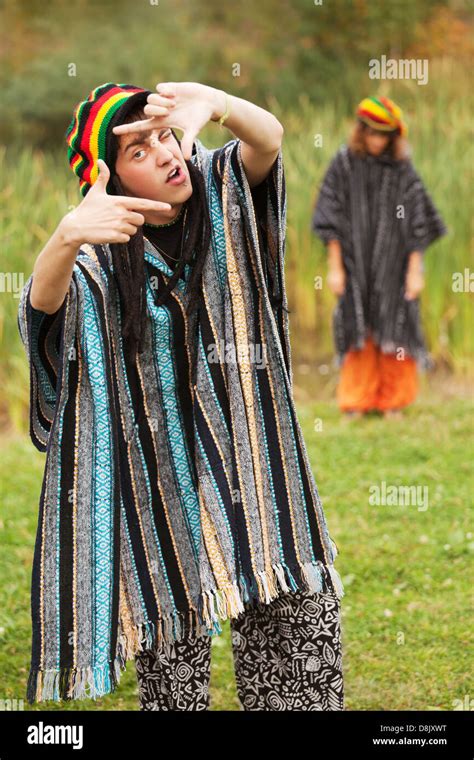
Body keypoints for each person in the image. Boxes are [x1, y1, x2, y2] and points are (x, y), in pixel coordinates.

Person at [17, 81, 344, 710]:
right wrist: (64, 238)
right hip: (155, 484)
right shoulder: (94, 259)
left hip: (256, 464)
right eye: (139, 151)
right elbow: (44, 317)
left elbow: (268, 138)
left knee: (297, 633)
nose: (167, 155)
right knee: (169, 653)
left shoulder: (223, 194)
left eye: (166, 136)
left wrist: (214, 103)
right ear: (109, 180)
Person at [311, 96, 447, 418]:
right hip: (354, 263)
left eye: (384, 134)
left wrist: (415, 270)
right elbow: (329, 217)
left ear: (393, 136)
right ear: (361, 130)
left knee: (395, 325)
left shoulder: (403, 169)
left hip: (394, 266)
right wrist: (335, 268)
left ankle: (393, 402)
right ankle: (356, 401)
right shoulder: (343, 164)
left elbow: (419, 222)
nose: (376, 140)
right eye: (371, 132)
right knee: (357, 325)